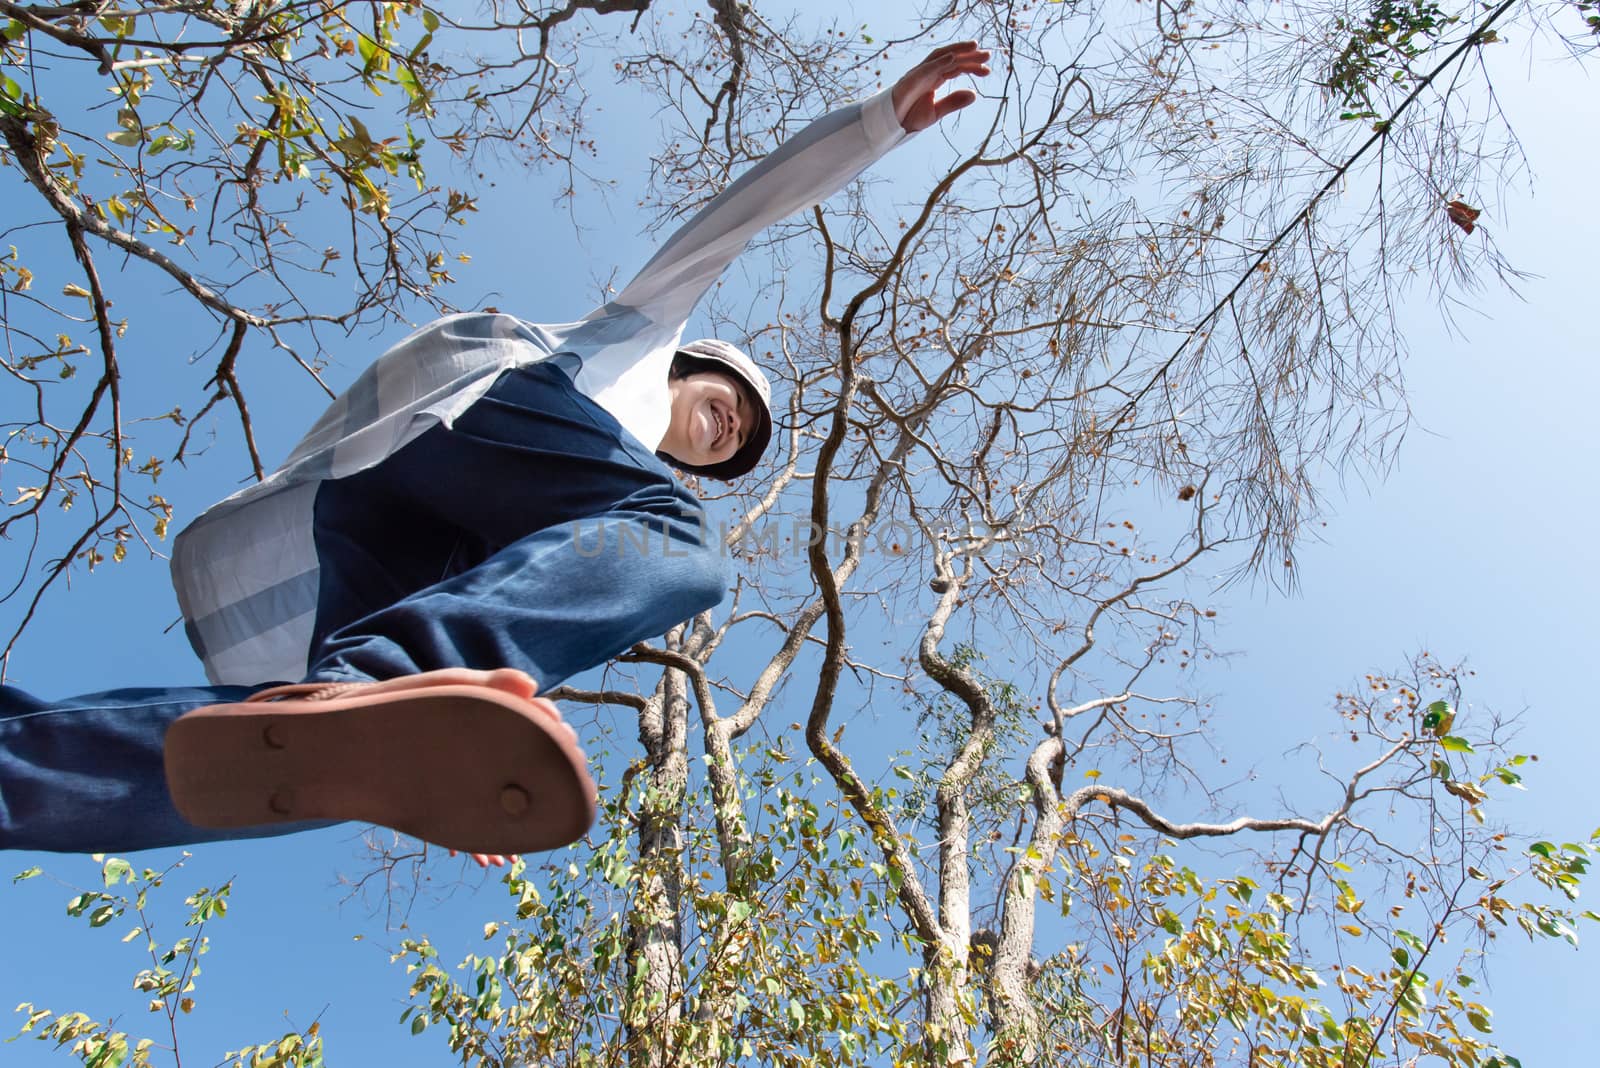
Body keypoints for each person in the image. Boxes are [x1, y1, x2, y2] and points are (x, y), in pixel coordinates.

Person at [0, 44, 990, 863]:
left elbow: (533, 593)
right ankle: (384, 681)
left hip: (395, 549)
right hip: (488, 420)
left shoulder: (601, 515)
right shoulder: (640, 332)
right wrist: (874, 125)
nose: (729, 430)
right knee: (683, 542)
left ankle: (24, 775)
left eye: (737, 445)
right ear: (693, 367)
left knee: (279, 767)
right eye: (730, 405)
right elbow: (739, 216)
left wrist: (451, 765)